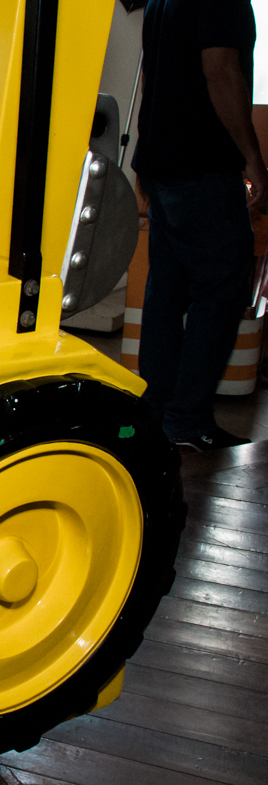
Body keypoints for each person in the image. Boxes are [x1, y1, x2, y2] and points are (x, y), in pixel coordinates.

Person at [133, 0, 265, 451]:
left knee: (166, 290)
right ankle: (187, 419)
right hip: (201, 166)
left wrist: (144, 158)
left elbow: (151, 75)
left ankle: (156, 410)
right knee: (223, 284)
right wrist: (253, 158)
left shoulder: (158, 2)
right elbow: (221, 70)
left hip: (162, 162)